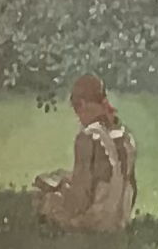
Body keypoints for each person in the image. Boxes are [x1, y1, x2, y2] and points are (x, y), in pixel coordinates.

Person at [33, 73, 137, 232]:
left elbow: (79, 201)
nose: (78, 118)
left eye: (76, 110)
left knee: (44, 199)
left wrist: (57, 187)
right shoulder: (124, 136)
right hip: (120, 221)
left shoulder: (88, 137)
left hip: (95, 223)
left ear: (81, 104)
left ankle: (48, 235)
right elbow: (126, 185)